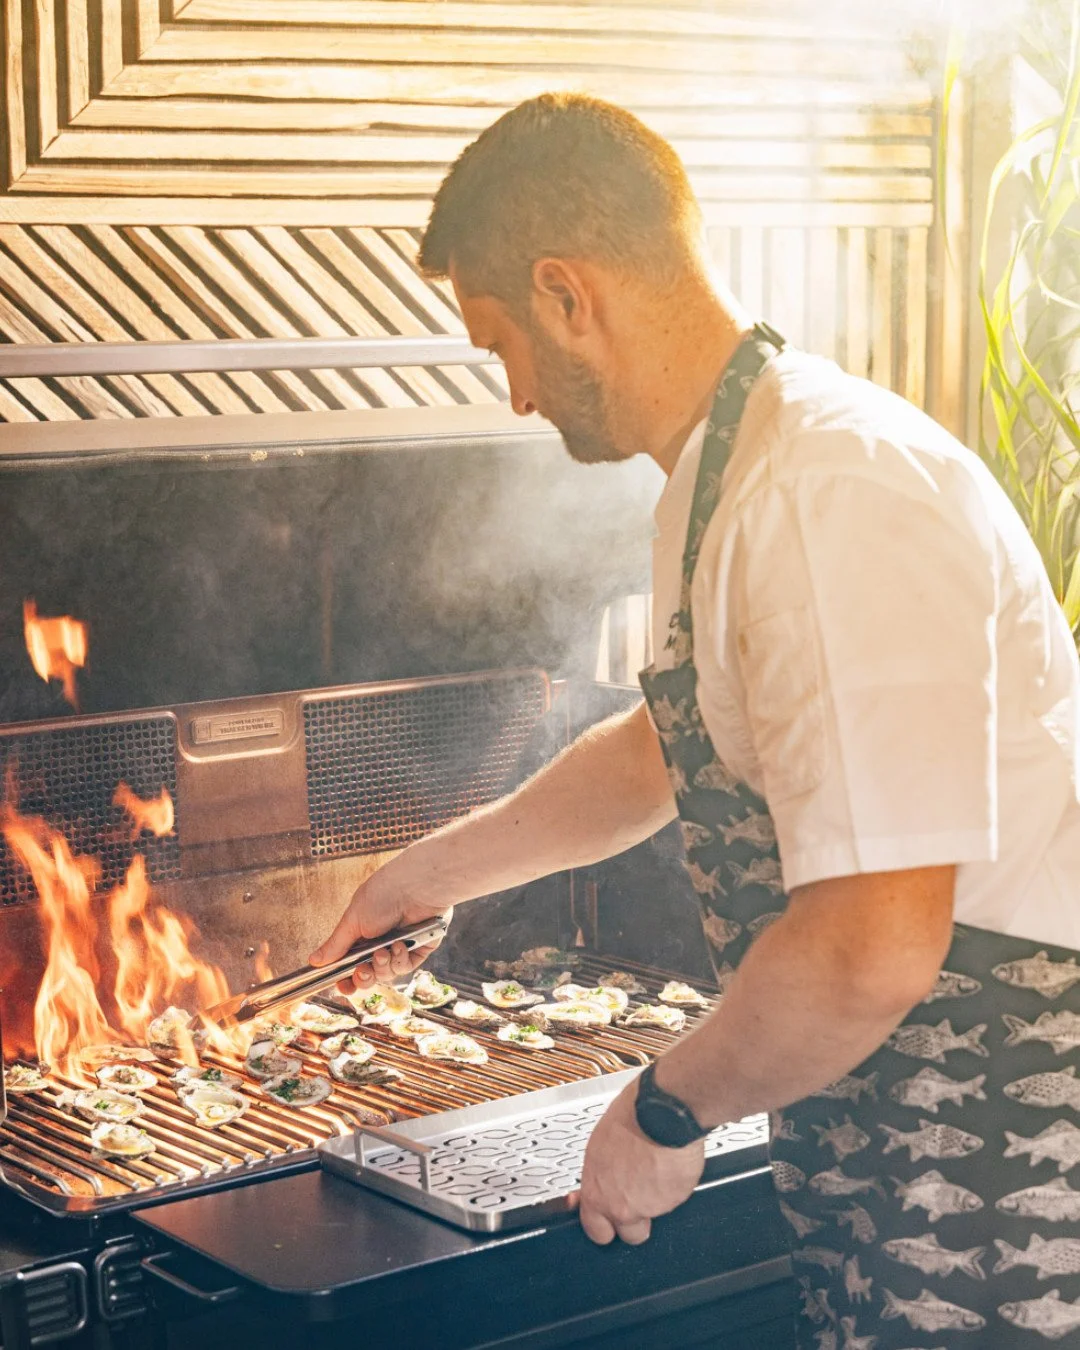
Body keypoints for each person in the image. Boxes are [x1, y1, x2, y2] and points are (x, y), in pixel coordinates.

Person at [310, 94, 1080, 1347]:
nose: (510, 394)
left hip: (1005, 1151)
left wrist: (664, 1111)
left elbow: (876, 941)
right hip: (886, 1123)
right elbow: (675, 744)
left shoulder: (829, 493)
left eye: (497, 340)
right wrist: (434, 870)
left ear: (569, 295)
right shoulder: (724, 478)